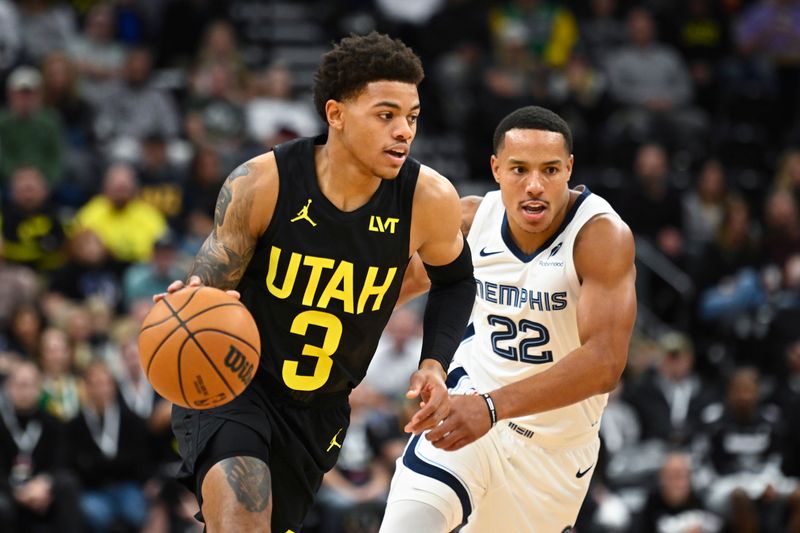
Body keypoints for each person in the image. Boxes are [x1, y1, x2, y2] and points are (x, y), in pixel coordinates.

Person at [155, 32, 474, 532]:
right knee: (241, 522)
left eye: (411, 117)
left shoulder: (427, 198)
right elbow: (208, 288)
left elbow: (456, 281)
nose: (403, 131)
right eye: (385, 114)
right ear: (336, 113)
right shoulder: (263, 182)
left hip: (318, 411)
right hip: (235, 383)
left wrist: (434, 363)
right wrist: (189, 303)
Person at [380, 105, 636, 532]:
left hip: (553, 453)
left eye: (550, 170)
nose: (535, 185)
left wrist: (493, 408)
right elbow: (383, 292)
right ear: (496, 169)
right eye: (519, 169)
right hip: (465, 410)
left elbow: (605, 363)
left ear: (569, 168)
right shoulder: (471, 220)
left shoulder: (600, 236)